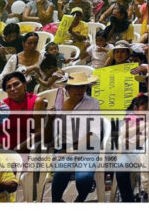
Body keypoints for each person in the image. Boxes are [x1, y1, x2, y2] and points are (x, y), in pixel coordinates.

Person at [51, 72, 101, 202]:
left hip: (87, 147)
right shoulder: (59, 104)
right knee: (61, 171)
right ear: (68, 88)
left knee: (84, 177)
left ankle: (80, 201)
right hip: (64, 146)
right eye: (76, 87)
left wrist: (72, 150)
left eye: (83, 86)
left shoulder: (92, 103)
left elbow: (94, 133)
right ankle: (56, 202)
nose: (80, 90)